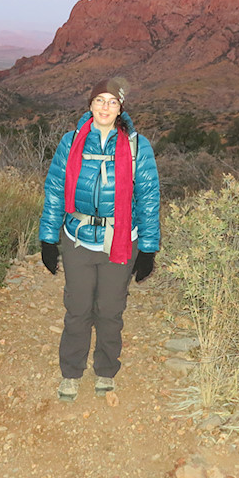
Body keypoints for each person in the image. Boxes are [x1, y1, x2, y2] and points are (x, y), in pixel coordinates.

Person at [39, 77, 161, 402]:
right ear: (90, 105)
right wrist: (48, 239)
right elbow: (54, 189)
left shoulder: (137, 146)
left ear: (121, 108)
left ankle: (106, 370)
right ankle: (70, 372)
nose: (105, 107)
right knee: (77, 309)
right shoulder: (72, 142)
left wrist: (148, 248)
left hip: (120, 241)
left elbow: (148, 197)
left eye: (112, 102)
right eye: (99, 100)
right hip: (77, 239)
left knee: (110, 310)